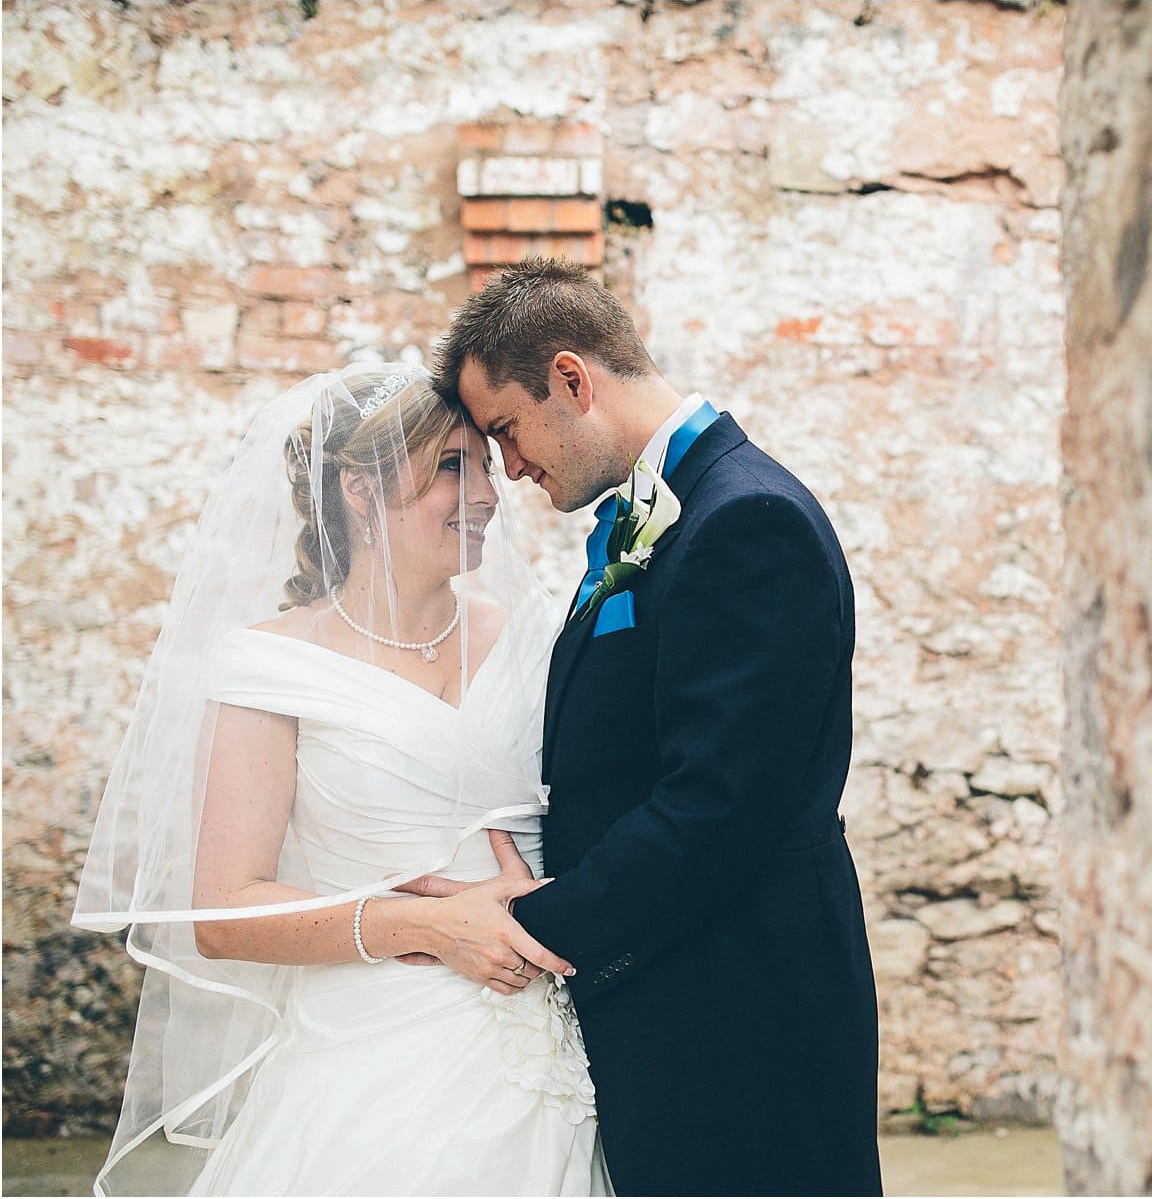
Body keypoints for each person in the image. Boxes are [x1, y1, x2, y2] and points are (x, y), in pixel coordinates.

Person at [72, 363, 608, 1196]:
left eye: (487, 466)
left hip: (556, 1054)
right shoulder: (271, 666)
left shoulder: (536, 633)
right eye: (450, 469)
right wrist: (424, 926)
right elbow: (223, 911)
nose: (489, 497)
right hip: (374, 1070)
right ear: (360, 489)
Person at [419, 256, 882, 1196]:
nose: (508, 467)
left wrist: (528, 924)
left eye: (506, 430)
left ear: (572, 380)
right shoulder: (670, 516)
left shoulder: (748, 520)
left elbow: (722, 805)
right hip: (676, 997)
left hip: (745, 1021)